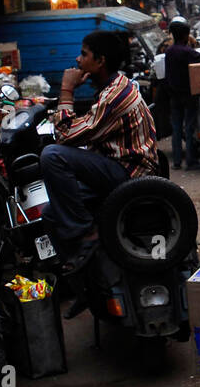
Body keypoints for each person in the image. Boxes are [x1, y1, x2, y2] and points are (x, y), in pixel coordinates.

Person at [40, 32, 159, 270]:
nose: (77, 60)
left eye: (84, 54)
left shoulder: (115, 95)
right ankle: (88, 276)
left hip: (129, 175)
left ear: (100, 61)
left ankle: (86, 233)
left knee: (52, 156)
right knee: (51, 214)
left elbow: (65, 136)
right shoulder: (113, 88)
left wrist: (66, 90)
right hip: (116, 166)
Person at [164, 17, 200, 170]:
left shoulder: (169, 52)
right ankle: (191, 160)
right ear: (185, 35)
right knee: (190, 127)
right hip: (188, 95)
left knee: (177, 129)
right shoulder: (186, 51)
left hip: (174, 96)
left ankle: (177, 161)